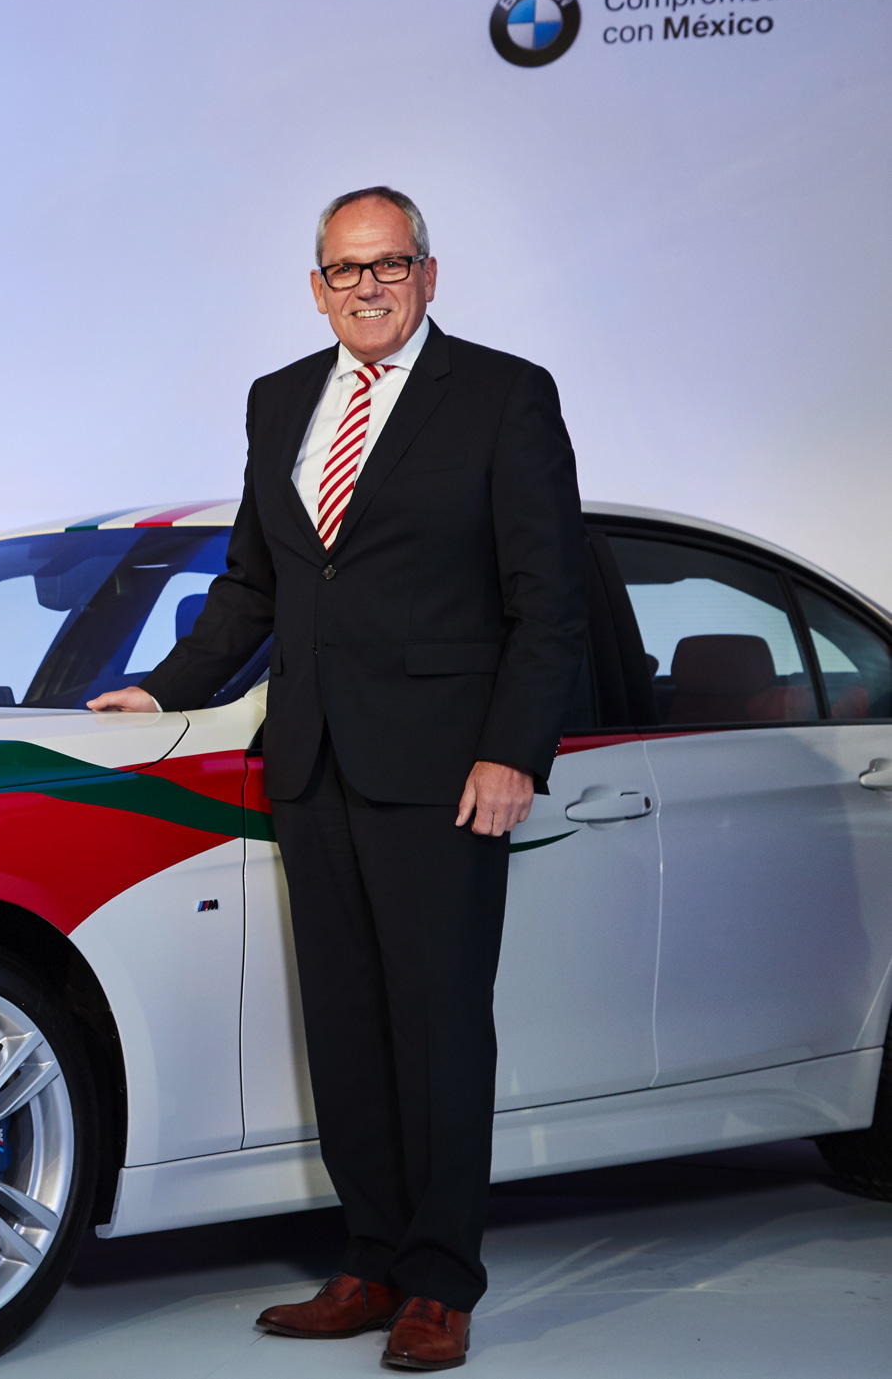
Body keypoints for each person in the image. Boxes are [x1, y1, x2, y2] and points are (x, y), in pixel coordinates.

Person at [89, 186, 585, 1371]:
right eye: (346, 269)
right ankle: (369, 1260)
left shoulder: (505, 395)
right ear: (316, 288)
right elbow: (254, 586)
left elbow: (549, 598)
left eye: (390, 263)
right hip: (309, 761)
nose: (369, 286)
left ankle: (440, 1282)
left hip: (444, 769)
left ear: (428, 274)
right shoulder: (278, 400)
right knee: (347, 1029)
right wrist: (162, 690)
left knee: (438, 1029)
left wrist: (512, 749)